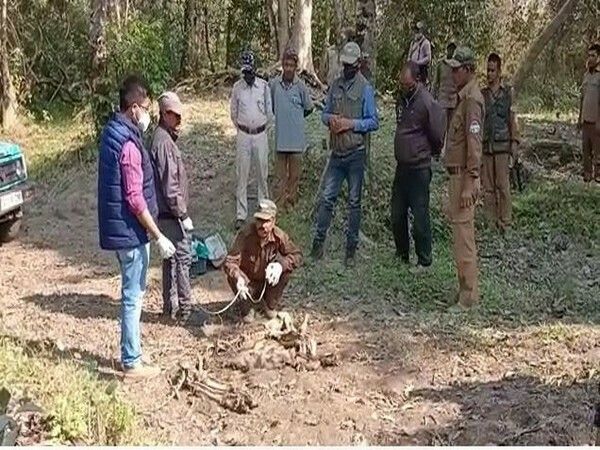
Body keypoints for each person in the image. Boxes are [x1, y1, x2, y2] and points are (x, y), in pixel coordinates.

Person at [97, 75, 176, 379]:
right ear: (133, 108)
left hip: (124, 230)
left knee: (131, 292)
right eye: (145, 107)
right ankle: (132, 361)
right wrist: (158, 237)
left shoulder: (112, 132)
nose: (148, 113)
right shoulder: (128, 145)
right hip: (131, 233)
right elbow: (134, 198)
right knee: (133, 295)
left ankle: (133, 351)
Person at [310, 42, 379, 268]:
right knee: (327, 198)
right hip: (337, 153)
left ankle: (351, 250)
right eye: (344, 65)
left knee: (354, 202)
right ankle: (318, 244)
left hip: (355, 154)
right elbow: (325, 113)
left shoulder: (365, 88)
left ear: (358, 64)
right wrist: (331, 121)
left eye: (351, 65)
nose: (346, 69)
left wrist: (350, 124)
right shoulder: (336, 85)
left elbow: (373, 121)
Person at [392, 62, 444, 272]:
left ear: (418, 81)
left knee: (420, 214)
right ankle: (402, 253)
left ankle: (424, 259)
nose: (405, 87)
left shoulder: (426, 102)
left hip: (419, 167)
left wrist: (425, 151)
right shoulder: (404, 99)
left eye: (409, 84)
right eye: (403, 85)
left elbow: (437, 133)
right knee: (397, 213)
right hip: (402, 166)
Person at [443, 47, 484, 309]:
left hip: (463, 179)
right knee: (459, 237)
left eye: (457, 69)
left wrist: (471, 181)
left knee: (464, 238)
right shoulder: (462, 98)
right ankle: (463, 290)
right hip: (456, 176)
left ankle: (469, 296)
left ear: (468, 70)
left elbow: (474, 144)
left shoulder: (472, 101)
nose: (453, 73)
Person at [149, 91, 194, 322]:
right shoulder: (163, 142)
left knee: (169, 259)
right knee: (182, 258)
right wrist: (183, 214)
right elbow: (170, 185)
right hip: (170, 213)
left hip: (165, 212)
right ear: (165, 114)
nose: (179, 120)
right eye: (175, 116)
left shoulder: (162, 138)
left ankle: (169, 308)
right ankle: (185, 310)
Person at [224, 200, 302, 323]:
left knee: (286, 272)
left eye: (267, 221)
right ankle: (247, 307)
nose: (263, 225)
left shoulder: (279, 236)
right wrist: (238, 278)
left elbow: (297, 255)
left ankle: (269, 304)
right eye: (260, 220)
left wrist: (280, 266)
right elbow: (230, 262)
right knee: (233, 278)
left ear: (274, 221)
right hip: (247, 284)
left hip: (268, 283)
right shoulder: (245, 235)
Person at [230, 50, 274, 230]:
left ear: (255, 70)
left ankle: (264, 209)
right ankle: (241, 214)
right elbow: (233, 112)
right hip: (243, 135)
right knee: (242, 174)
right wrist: (243, 127)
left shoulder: (264, 87)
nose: (247, 76)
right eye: (245, 72)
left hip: (261, 135)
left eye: (250, 72)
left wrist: (261, 128)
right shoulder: (237, 88)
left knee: (262, 174)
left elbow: (270, 113)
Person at [270, 48, 313, 210]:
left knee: (295, 176)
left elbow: (309, 108)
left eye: (291, 65)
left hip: (296, 140)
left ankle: (291, 203)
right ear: (282, 65)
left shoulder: (301, 86)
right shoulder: (274, 84)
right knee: (279, 176)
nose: (288, 68)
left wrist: (295, 119)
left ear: (296, 67)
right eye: (285, 65)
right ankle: (279, 204)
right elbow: (271, 107)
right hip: (281, 139)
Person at [481, 53, 520, 231]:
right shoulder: (482, 95)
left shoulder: (507, 95)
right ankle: (491, 221)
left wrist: (515, 143)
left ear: (499, 72)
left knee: (503, 186)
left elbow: (512, 120)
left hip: (503, 145)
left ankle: (506, 221)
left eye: (492, 70)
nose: (489, 74)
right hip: (487, 145)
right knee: (488, 187)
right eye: (488, 70)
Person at [578, 43, 600, 183]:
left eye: (593, 56)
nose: (590, 58)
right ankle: (587, 177)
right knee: (586, 151)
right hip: (585, 120)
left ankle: (598, 177)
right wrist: (579, 117)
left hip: (596, 121)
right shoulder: (586, 75)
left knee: (598, 152)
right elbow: (582, 98)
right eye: (589, 55)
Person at [433, 41, 458, 149]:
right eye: (449, 49)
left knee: (452, 128)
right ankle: (438, 148)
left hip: (453, 99)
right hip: (442, 99)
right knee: (441, 127)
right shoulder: (441, 64)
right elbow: (435, 82)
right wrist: (432, 97)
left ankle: (449, 151)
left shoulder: (457, 66)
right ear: (447, 49)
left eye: (453, 49)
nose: (451, 51)